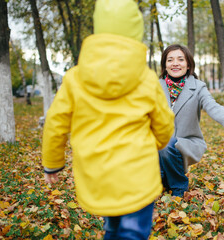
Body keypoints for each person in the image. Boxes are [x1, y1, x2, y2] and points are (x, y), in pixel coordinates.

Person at [41, 0, 175, 239]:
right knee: (133, 232)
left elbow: (55, 123)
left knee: (112, 227)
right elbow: (164, 124)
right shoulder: (145, 78)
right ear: (136, 30)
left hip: (97, 174)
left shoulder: (74, 78)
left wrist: (52, 163)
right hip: (138, 174)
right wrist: (154, 144)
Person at [158, 44, 224, 197]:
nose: (175, 63)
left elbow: (212, 106)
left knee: (167, 144)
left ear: (188, 64)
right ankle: (161, 177)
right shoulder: (156, 87)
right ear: (165, 65)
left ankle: (179, 186)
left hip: (186, 141)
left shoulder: (198, 87)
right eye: (170, 60)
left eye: (180, 59)